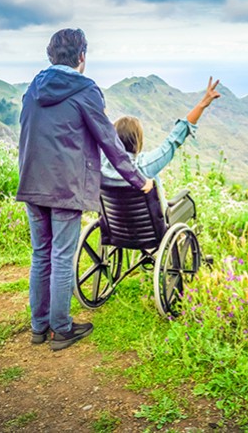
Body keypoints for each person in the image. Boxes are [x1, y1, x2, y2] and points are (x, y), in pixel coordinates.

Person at [17, 28, 153, 351]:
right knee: (62, 256)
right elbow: (111, 143)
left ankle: (39, 327)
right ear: (81, 57)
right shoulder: (85, 91)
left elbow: (24, 133)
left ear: (51, 56)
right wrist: (140, 181)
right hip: (64, 186)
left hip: (32, 183)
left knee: (41, 254)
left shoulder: (32, 90)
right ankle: (61, 329)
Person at [101, 77, 221, 204]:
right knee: (185, 204)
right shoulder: (145, 166)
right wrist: (202, 104)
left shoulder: (101, 164)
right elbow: (173, 140)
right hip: (150, 223)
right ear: (138, 140)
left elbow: (101, 129)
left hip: (115, 222)